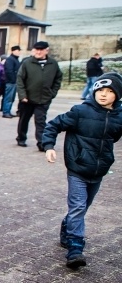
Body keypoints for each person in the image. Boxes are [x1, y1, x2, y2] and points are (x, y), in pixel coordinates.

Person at [42, 73, 122, 268]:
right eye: (100, 90)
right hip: (77, 167)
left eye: (109, 91)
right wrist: (49, 146)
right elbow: (54, 125)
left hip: (99, 170)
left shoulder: (119, 116)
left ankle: (67, 228)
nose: (103, 95)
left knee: (82, 207)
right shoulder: (80, 111)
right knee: (78, 206)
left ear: (117, 95)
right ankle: (75, 249)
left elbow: (115, 137)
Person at [17, 41, 63, 151]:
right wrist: (22, 95)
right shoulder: (27, 63)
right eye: (36, 49)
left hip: (44, 98)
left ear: (46, 50)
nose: (38, 52)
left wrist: (53, 93)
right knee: (24, 120)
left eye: (41, 50)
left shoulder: (53, 64)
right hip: (27, 99)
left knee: (41, 121)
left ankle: (41, 142)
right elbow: (20, 79)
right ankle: (21, 138)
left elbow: (58, 78)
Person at [2, 45, 22, 118]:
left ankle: (8, 111)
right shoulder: (10, 59)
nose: (19, 52)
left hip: (13, 82)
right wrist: (13, 80)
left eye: (19, 51)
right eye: (18, 51)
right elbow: (9, 71)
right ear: (13, 51)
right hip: (11, 82)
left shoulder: (15, 59)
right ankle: (6, 112)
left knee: (11, 98)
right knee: (8, 97)